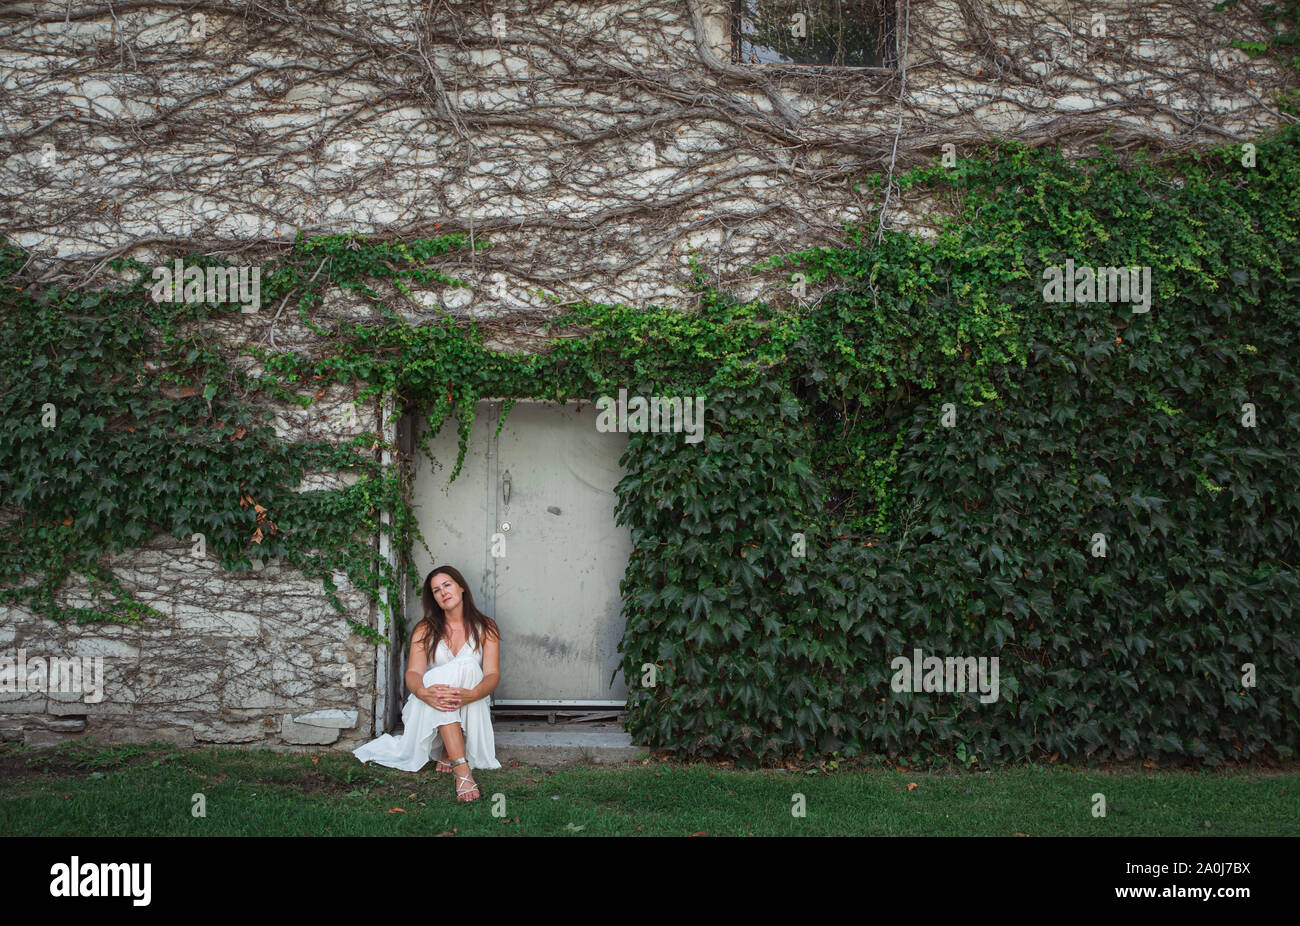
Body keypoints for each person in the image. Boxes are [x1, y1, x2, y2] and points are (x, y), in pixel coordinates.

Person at [353, 566, 502, 802]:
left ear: (461, 588)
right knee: (434, 678)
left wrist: (473, 694)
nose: (443, 592)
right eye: (436, 590)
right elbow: (413, 672)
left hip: (470, 702)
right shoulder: (425, 629)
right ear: (433, 598)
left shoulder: (486, 627)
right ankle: (461, 769)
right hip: (431, 704)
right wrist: (422, 692)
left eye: (448, 585)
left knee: (468, 667)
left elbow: (492, 675)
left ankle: (450, 747)